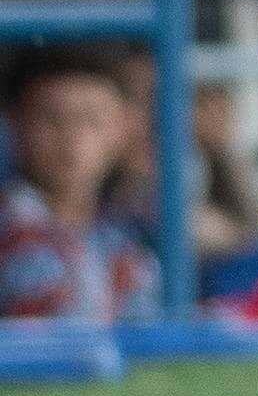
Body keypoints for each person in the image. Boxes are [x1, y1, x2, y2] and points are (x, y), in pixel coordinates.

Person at [0, 47, 153, 323]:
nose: (73, 140)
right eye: (53, 120)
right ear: (16, 122)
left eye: (91, 120)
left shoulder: (126, 230)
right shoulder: (14, 228)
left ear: (123, 126)